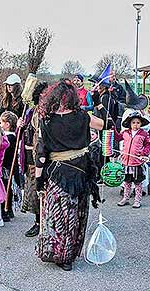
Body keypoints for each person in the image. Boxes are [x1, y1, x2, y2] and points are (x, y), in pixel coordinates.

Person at [34, 79, 104, 271]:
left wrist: (39, 181)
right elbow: (103, 124)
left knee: (60, 217)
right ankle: (69, 256)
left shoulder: (46, 121)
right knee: (76, 214)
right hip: (81, 171)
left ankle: (60, 254)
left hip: (58, 175)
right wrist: (97, 103)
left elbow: (41, 155)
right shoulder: (83, 116)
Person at [20, 81, 48, 237]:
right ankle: (37, 223)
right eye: (42, 95)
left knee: (45, 190)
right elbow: (24, 133)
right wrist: (20, 126)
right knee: (34, 191)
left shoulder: (51, 113)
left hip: (45, 158)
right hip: (31, 156)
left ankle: (46, 223)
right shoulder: (30, 112)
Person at [115, 111, 150, 208]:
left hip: (136, 162)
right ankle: (126, 198)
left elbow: (148, 144)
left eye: (138, 123)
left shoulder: (144, 134)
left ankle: (137, 200)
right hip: (126, 162)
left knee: (137, 183)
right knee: (127, 182)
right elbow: (118, 138)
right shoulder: (125, 133)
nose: (136, 125)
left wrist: (144, 153)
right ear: (130, 124)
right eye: (133, 123)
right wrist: (113, 129)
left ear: (141, 124)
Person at [0, 111, 19, 222]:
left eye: (1, 122)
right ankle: (9, 210)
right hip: (10, 166)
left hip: (5, 167)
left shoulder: (8, 138)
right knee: (8, 188)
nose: (0, 125)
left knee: (3, 189)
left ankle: (4, 211)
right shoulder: (12, 137)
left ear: (7, 124)